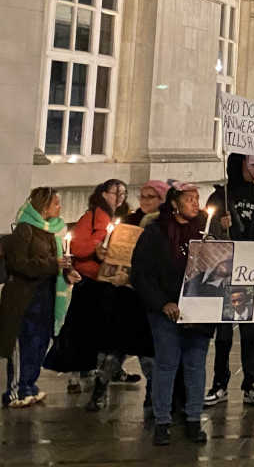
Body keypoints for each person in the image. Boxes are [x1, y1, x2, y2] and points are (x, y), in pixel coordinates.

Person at [47, 179, 154, 413]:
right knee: (93, 334)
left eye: (124, 193)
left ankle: (114, 379)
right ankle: (85, 377)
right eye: (115, 192)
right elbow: (78, 245)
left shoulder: (128, 217)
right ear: (103, 194)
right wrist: (96, 248)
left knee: (115, 339)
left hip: (116, 284)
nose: (120, 197)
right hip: (94, 283)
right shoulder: (93, 216)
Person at [130, 183, 211, 446]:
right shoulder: (156, 232)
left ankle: (193, 419)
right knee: (166, 365)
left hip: (199, 312)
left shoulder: (207, 231)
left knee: (196, 366)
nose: (195, 203)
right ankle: (162, 421)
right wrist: (162, 302)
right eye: (189, 199)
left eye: (197, 198)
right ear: (175, 203)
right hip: (166, 312)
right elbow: (141, 273)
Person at [204, 153, 254, 409]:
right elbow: (207, 235)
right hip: (226, 272)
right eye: (251, 164)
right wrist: (220, 228)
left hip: (253, 270)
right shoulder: (220, 198)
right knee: (223, 332)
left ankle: (251, 383)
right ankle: (219, 383)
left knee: (250, 332)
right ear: (238, 166)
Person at [0, 188, 78, 407]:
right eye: (56, 204)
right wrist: (54, 265)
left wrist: (68, 273)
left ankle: (29, 385)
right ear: (44, 207)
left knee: (38, 342)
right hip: (23, 298)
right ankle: (15, 390)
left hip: (45, 297)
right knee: (21, 343)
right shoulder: (25, 230)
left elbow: (58, 263)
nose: (60, 208)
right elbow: (19, 264)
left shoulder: (53, 231)